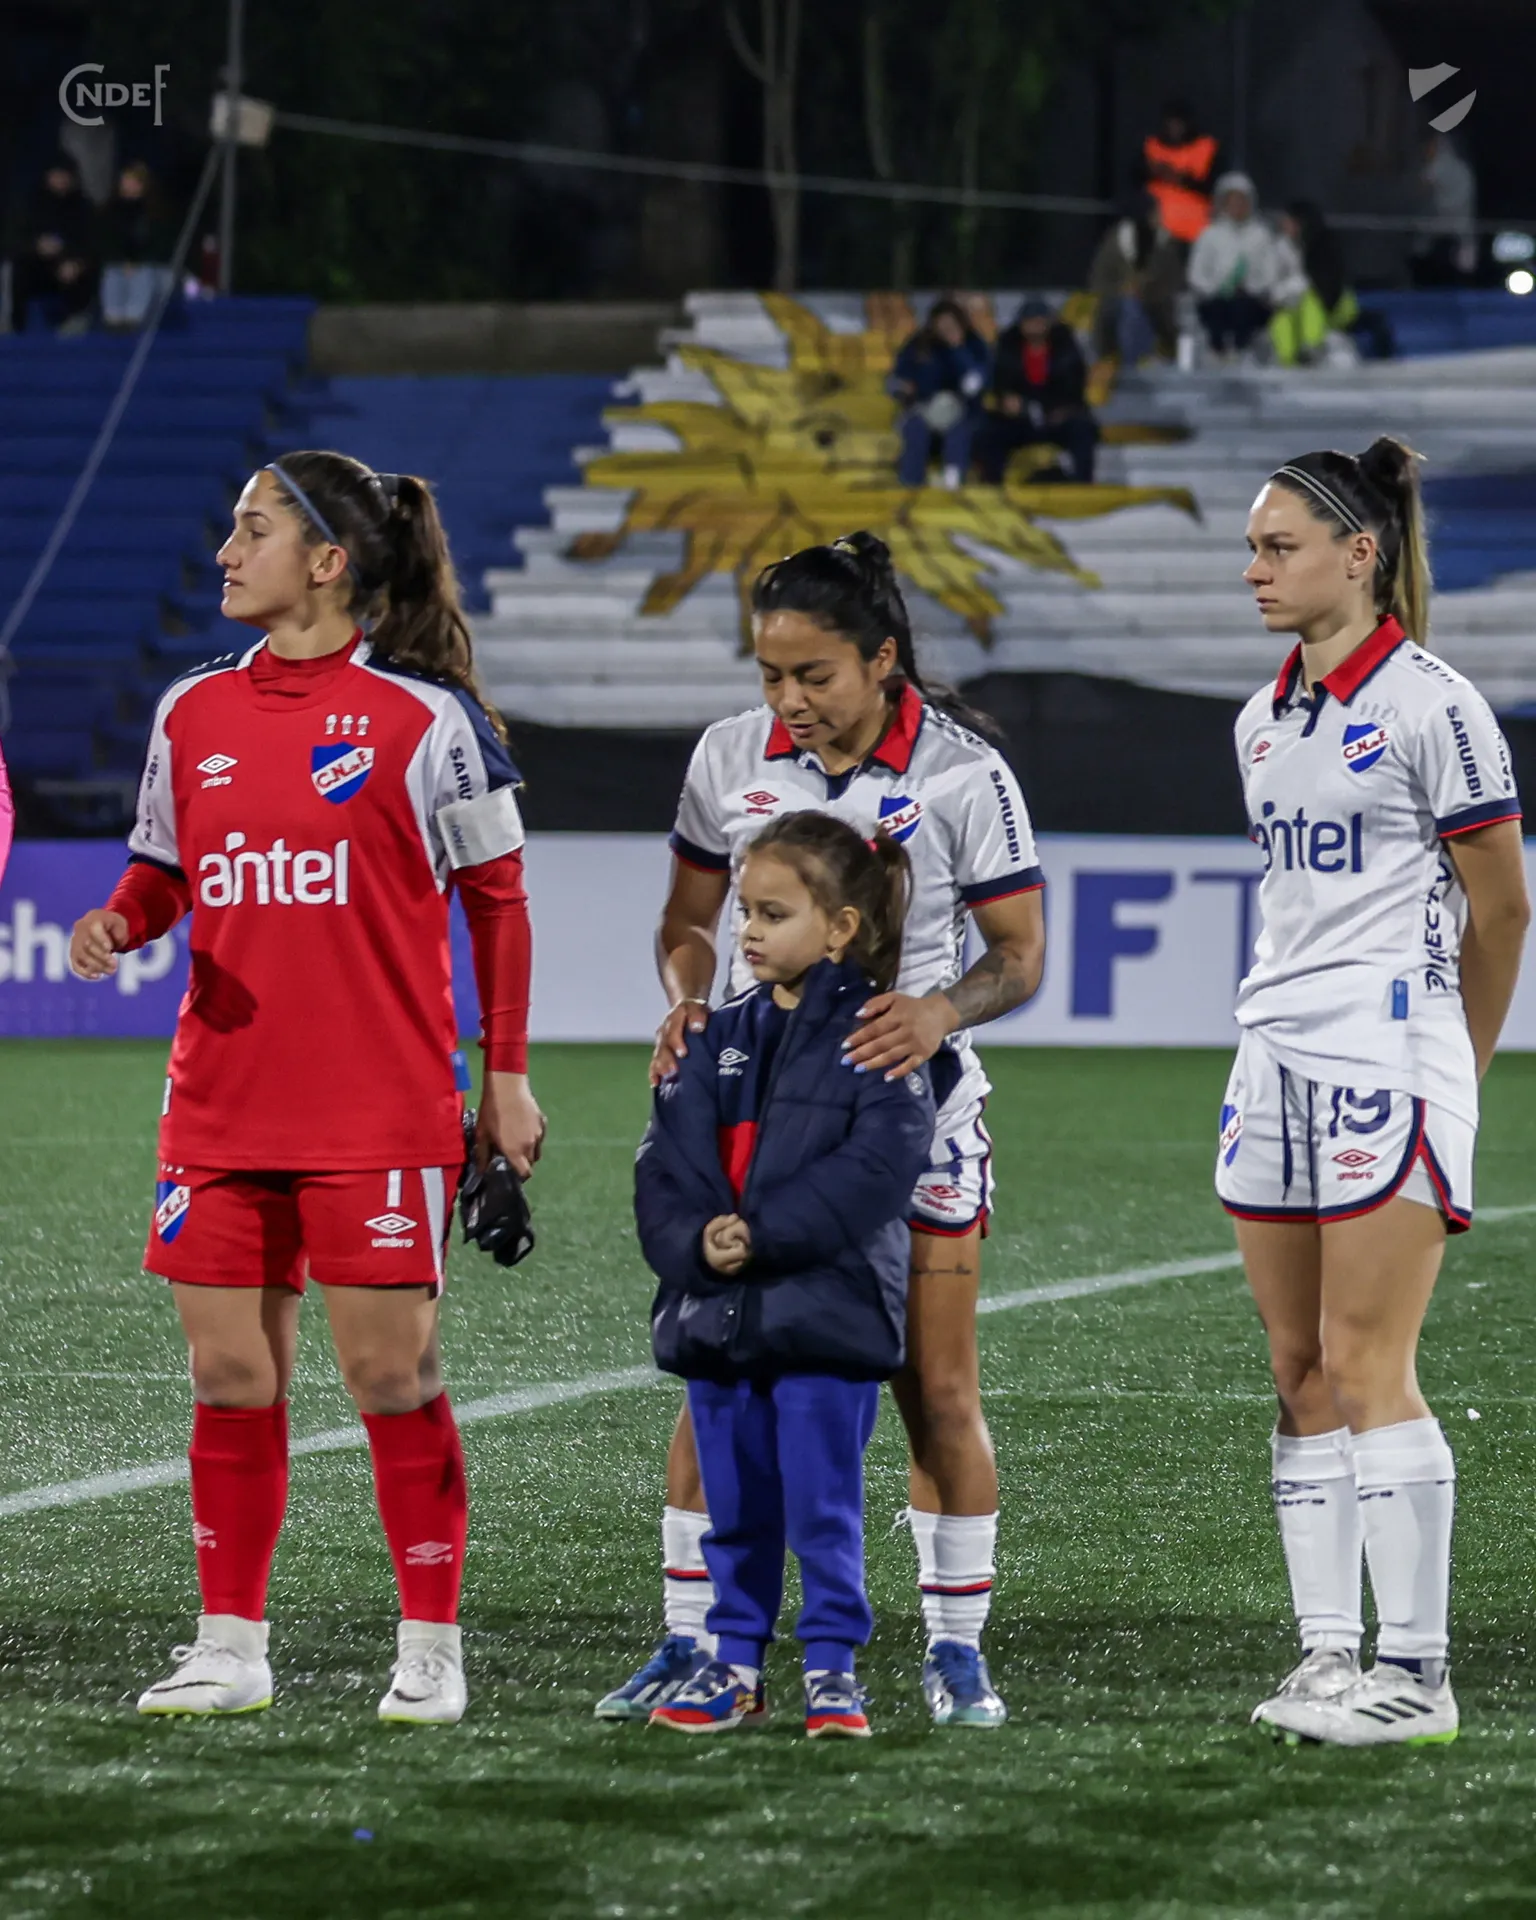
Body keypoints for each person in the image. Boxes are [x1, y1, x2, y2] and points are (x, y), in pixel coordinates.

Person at [67, 451, 544, 1727]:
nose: (226, 553)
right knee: (230, 1376)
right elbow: (165, 867)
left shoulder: (427, 722)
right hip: (219, 1103)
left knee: (391, 1377)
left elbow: (498, 904)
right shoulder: (192, 712)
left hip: (376, 1110)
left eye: (253, 530)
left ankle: (431, 1647)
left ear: (329, 562)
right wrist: (122, 918)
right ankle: (230, 1646)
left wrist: (504, 1078)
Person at [595, 530, 1047, 1729]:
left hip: (917, 1121)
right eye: (769, 675)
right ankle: (694, 1638)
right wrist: (689, 1002)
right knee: (717, 1368)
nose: (788, 701)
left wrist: (940, 1010)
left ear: (883, 659)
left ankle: (955, 1650)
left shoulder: (964, 774)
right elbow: (687, 921)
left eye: (814, 675)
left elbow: (1020, 955)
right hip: (764, 1120)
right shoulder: (726, 758)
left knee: (933, 1386)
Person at [1222, 437, 1529, 1746]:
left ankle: (1417, 1676)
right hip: (1270, 1061)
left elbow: (1502, 910)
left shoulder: (1434, 706)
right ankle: (1326, 1657)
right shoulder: (1260, 718)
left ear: (1360, 554)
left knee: (1365, 1363)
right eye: (1251, 549)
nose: (1255, 570)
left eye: (1278, 547)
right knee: (1298, 1370)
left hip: (1388, 1063)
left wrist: (1457, 1063)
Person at [636, 814, 934, 1737]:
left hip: (823, 1319)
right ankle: (734, 1665)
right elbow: (664, 1167)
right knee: (735, 1509)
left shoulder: (879, 1039)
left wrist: (761, 1235)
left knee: (823, 1509)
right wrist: (699, 1244)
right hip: (719, 1316)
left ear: (839, 928)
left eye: (773, 914)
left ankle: (833, 1668)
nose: (748, 931)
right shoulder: (714, 1034)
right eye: (744, 913)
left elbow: (877, 1171)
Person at [975, 297, 1098, 485]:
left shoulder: (1066, 347)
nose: (1035, 326)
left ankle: (1082, 485)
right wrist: (1006, 401)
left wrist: (1058, 409)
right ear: (1021, 324)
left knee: (1082, 430)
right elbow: (999, 384)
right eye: (1030, 321)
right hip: (1019, 418)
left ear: (1049, 323)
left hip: (1058, 415)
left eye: (1040, 321)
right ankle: (993, 487)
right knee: (989, 433)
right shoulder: (1007, 347)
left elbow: (1074, 387)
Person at [887, 298, 991, 489]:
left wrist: (958, 349)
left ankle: (952, 481)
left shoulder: (974, 344)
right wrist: (901, 387)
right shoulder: (918, 344)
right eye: (941, 324)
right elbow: (894, 380)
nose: (945, 329)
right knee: (914, 428)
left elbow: (977, 382)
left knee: (960, 430)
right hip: (923, 408)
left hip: (964, 411)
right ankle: (910, 484)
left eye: (951, 324)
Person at [1188, 172, 1291, 360]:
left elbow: (1270, 273)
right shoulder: (1209, 235)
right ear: (1223, 203)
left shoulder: (1261, 235)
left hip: (1251, 299)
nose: (1237, 207)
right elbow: (1196, 274)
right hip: (1215, 297)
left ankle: (1242, 353)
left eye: (1242, 201)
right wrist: (1215, 288)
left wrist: (1251, 287)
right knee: (1216, 309)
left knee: (1243, 307)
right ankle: (1217, 354)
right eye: (1232, 202)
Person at [1088, 192, 1185, 365]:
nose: (1160, 217)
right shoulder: (1115, 242)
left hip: (1156, 307)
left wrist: (1144, 290)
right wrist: (1123, 289)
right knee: (1128, 307)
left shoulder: (1166, 244)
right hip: (1117, 307)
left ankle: (1137, 363)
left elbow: (1173, 282)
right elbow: (1098, 281)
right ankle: (1128, 363)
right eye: (1156, 212)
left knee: (1136, 308)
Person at [11, 156, 97, 336]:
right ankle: (15, 325)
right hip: (37, 264)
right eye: (56, 175)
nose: (60, 180)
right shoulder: (31, 203)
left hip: (69, 265)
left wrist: (75, 261)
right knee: (18, 269)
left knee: (82, 272)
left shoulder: (83, 206)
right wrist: (37, 246)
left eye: (65, 176)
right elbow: (16, 238)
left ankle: (77, 319)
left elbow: (90, 243)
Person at [98, 162, 176, 330]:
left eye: (134, 182)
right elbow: (107, 243)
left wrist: (136, 262)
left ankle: (134, 318)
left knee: (142, 273)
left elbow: (161, 247)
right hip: (121, 264)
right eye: (126, 181)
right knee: (113, 271)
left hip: (152, 267)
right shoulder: (110, 211)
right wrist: (124, 261)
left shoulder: (158, 213)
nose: (129, 186)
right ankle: (113, 318)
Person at [1138, 100, 1220, 253]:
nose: (1175, 128)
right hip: (1158, 232)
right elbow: (1135, 177)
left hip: (1196, 232)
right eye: (1171, 123)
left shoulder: (1206, 147)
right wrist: (1153, 172)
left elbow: (1214, 186)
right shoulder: (1151, 146)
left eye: (1179, 123)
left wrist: (1180, 178)